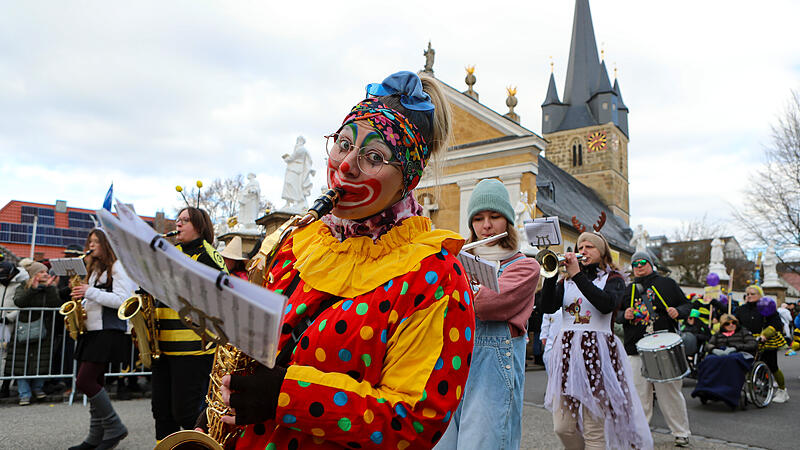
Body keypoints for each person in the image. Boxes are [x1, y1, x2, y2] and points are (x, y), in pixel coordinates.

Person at [209, 71, 475, 449]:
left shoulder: (435, 276)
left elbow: (416, 423)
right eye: (344, 144)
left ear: (407, 181)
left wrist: (285, 397)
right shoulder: (298, 243)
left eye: (374, 156)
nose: (347, 165)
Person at [435, 179, 539, 450]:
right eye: (478, 219)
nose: (486, 226)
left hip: (493, 369)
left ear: (507, 221)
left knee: (483, 443)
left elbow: (487, 305)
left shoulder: (525, 267)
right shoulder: (457, 259)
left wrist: (453, 282)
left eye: (495, 217)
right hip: (452, 364)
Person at [541, 232, 652, 449]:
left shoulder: (614, 279)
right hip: (567, 356)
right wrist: (552, 275)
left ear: (602, 253)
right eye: (580, 247)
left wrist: (577, 275)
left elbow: (606, 303)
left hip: (597, 355)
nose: (583, 251)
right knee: (562, 427)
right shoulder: (567, 281)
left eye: (589, 247)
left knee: (594, 430)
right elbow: (547, 307)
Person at [152, 206, 227, 442]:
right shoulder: (171, 254)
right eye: (178, 220)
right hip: (164, 346)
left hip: (193, 348)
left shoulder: (209, 254)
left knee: (187, 412)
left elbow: (221, 293)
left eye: (185, 220)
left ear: (200, 226)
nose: (178, 224)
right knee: (161, 411)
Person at [68, 228, 136, 450]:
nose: (92, 244)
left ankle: (115, 427)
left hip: (109, 332)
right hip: (94, 331)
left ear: (106, 244)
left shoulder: (118, 267)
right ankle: (94, 438)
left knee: (84, 382)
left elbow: (123, 300)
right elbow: (94, 298)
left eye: (96, 241)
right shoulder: (96, 269)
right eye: (91, 241)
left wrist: (88, 292)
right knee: (96, 383)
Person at [618, 250, 692, 447]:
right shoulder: (628, 288)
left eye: (642, 262)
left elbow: (688, 305)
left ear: (651, 263)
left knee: (669, 392)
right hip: (635, 347)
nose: (639, 266)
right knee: (639, 394)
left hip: (663, 345)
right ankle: (640, 433)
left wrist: (679, 311)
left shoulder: (667, 284)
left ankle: (681, 432)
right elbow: (614, 313)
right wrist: (623, 315)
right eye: (635, 264)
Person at [3, 261, 61, 405]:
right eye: (41, 272)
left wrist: (49, 289)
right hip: (24, 328)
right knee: (21, 362)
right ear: (34, 275)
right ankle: (24, 394)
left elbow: (56, 304)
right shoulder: (23, 286)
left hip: (44, 330)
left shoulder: (50, 288)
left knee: (42, 360)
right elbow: (19, 302)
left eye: (46, 271)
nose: (46, 274)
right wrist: (32, 289)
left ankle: (38, 389)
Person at [735, 285, 789, 403]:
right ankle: (749, 388)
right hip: (747, 339)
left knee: (772, 365)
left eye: (752, 294)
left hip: (766, 339)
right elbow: (736, 323)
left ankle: (782, 390)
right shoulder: (741, 309)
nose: (749, 296)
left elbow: (776, 323)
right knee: (746, 364)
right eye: (747, 294)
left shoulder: (767, 306)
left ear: (760, 295)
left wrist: (765, 334)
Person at [0, 260, 28, 398]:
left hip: (10, 323)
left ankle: (4, 385)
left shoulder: (20, 283)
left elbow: (21, 305)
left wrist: (9, 317)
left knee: (6, 355)